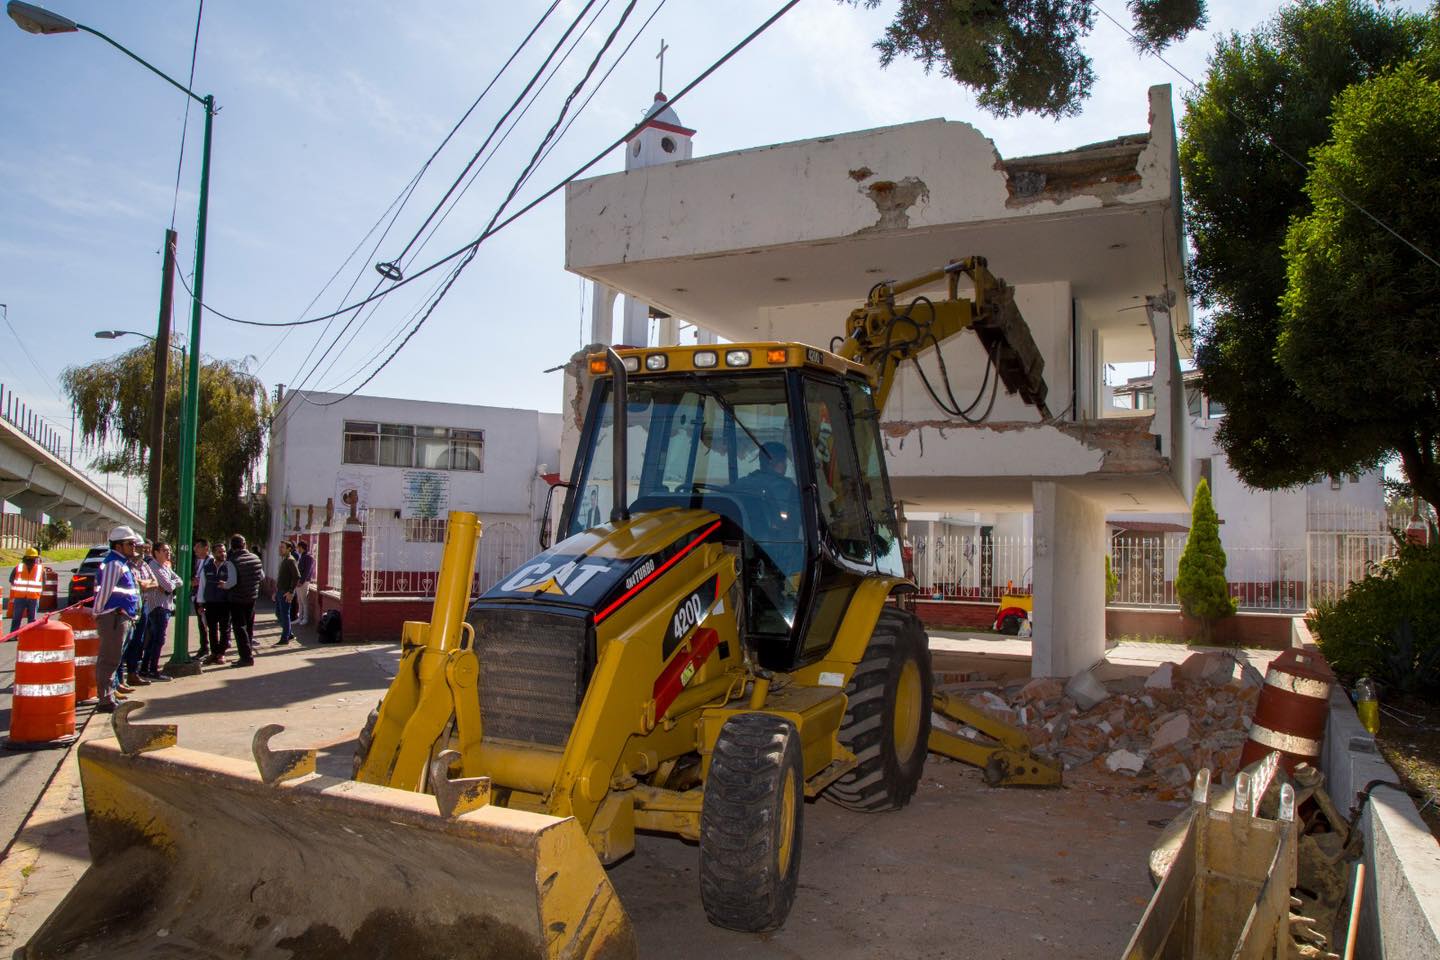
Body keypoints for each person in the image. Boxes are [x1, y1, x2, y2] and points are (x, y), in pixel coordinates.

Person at [93, 526, 143, 713]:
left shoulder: (121, 563)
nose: (134, 547)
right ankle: (105, 700)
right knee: (109, 660)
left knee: (114, 659)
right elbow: (105, 591)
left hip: (121, 617)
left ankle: (109, 695)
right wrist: (98, 612)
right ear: (119, 545)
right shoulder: (114, 564)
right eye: (130, 544)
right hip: (114, 617)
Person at [137, 542, 181, 681]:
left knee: (154, 640)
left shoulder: (165, 566)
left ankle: (145, 669)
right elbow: (168, 586)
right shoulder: (154, 567)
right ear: (156, 552)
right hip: (158, 608)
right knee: (157, 640)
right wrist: (169, 586)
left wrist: (170, 585)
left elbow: (179, 580)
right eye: (165, 550)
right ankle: (152, 670)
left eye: (169, 550)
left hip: (164, 607)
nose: (168, 553)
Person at [222, 534, 264, 667]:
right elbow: (261, 576)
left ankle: (245, 657)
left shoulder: (232, 560)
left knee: (239, 628)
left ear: (232, 547)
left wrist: (224, 585)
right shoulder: (255, 558)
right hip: (252, 597)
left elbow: (232, 582)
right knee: (249, 626)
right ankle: (249, 652)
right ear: (244, 545)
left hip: (237, 598)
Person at [120, 544, 158, 689]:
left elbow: (154, 583)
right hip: (129, 609)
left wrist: (144, 584)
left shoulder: (144, 565)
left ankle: (132, 674)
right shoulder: (125, 565)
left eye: (143, 548)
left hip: (144, 607)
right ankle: (119, 680)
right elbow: (134, 584)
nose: (142, 551)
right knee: (125, 643)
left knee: (138, 641)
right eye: (138, 547)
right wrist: (144, 583)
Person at [202, 541, 232, 664]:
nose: (223, 554)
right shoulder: (207, 567)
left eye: (224, 551)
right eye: (219, 552)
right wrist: (200, 603)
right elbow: (202, 586)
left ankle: (221, 653)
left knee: (225, 629)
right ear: (213, 553)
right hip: (211, 602)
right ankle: (214, 652)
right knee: (212, 628)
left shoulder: (230, 566)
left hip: (225, 602)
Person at [8, 547, 46, 633]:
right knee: (29, 619)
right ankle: (27, 635)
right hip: (30, 597)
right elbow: (44, 582)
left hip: (24, 597)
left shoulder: (19, 567)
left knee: (19, 618)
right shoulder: (39, 569)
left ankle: (16, 634)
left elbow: (11, 580)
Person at [273, 541, 299, 646]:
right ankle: (289, 633)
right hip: (280, 591)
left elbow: (296, 576)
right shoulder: (285, 560)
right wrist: (276, 591)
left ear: (289, 549)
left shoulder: (290, 560)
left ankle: (285, 638)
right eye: (280, 547)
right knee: (279, 613)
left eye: (282, 547)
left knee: (284, 614)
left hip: (286, 592)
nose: (280, 549)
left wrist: (291, 592)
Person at [191, 538, 211, 660]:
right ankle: (203, 646)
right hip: (196, 595)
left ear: (206, 548)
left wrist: (200, 582)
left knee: (206, 624)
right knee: (201, 623)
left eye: (198, 547)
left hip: (206, 598)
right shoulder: (196, 561)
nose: (195, 549)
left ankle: (206, 648)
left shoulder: (211, 561)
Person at [294, 539, 314, 626]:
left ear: (301, 547)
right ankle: (299, 617)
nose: (297, 549)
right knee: (299, 600)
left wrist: (301, 581)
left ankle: (305, 618)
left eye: (298, 547)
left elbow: (307, 571)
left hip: (304, 582)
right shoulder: (302, 556)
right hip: (299, 582)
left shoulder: (308, 557)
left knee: (304, 600)